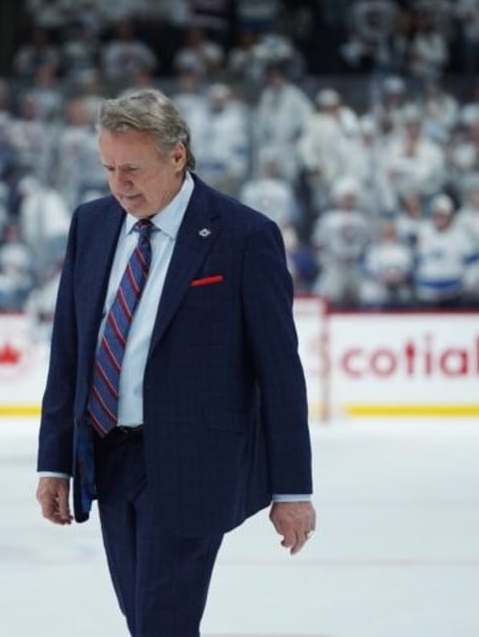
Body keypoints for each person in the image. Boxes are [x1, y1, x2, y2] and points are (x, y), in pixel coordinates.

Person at [35, 89, 316, 637]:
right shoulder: (90, 224)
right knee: (142, 620)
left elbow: (280, 374)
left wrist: (293, 490)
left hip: (193, 466)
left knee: (162, 622)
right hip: (107, 458)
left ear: (177, 155)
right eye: (110, 168)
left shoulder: (244, 236)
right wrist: (55, 463)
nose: (120, 184)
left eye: (133, 169)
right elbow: (69, 351)